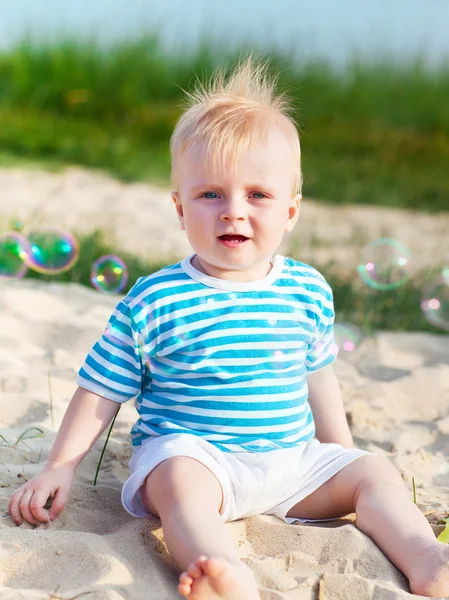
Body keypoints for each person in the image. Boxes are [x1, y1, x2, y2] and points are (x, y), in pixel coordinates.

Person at [8, 54, 449, 600]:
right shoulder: (157, 298)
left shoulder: (308, 289)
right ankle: (218, 567)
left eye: (257, 195)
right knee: (176, 483)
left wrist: (340, 455)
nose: (233, 212)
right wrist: (59, 466)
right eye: (210, 194)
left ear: (290, 210)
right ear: (180, 208)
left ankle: (426, 557)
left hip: (290, 462)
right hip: (199, 457)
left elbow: (319, 377)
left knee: (373, 472)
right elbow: (101, 390)